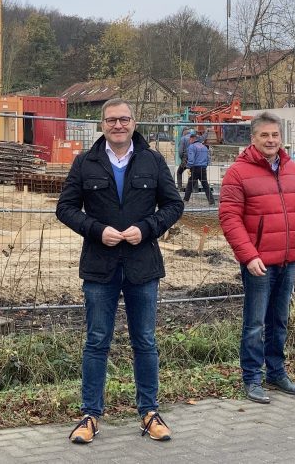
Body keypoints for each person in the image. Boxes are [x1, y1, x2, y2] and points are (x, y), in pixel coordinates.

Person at [56, 98, 184, 444]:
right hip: (100, 267)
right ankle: (90, 415)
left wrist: (147, 227)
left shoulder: (153, 161)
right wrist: (97, 230)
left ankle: (149, 412)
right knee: (97, 341)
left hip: (143, 266)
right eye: (111, 119)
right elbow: (65, 208)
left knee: (145, 340)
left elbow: (174, 205)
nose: (118, 125)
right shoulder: (85, 163)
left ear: (134, 122)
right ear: (102, 125)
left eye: (124, 119)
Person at [219, 112, 295, 403]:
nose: (271, 140)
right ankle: (252, 378)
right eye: (264, 135)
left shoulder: (293, 171)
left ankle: (276, 372)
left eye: (275, 135)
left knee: (280, 319)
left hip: (288, 260)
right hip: (258, 262)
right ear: (253, 138)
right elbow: (229, 218)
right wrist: (248, 256)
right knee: (255, 323)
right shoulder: (238, 172)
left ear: (281, 139)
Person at [183, 131, 215, 205]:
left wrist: (188, 166)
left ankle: (185, 200)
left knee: (190, 185)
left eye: (190, 140)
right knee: (205, 185)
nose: (189, 141)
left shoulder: (192, 147)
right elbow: (208, 159)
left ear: (193, 139)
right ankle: (211, 201)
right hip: (203, 168)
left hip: (195, 168)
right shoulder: (204, 147)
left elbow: (191, 159)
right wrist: (205, 165)